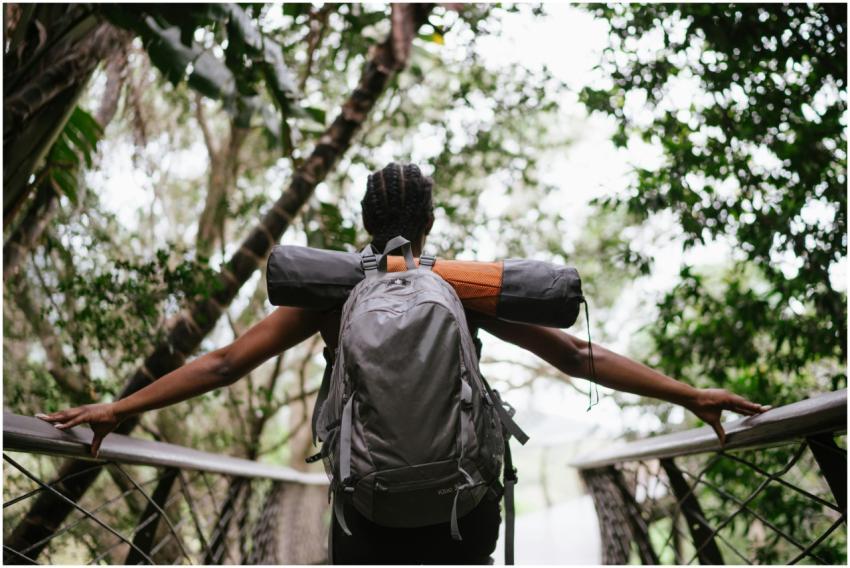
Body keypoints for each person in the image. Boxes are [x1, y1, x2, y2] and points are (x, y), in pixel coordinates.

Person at [38, 162, 770, 564]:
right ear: (428, 223)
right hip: (464, 503)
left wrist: (118, 409)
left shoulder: (334, 293)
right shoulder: (463, 289)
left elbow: (225, 364)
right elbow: (579, 358)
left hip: (367, 504)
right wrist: (687, 394)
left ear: (364, 222)